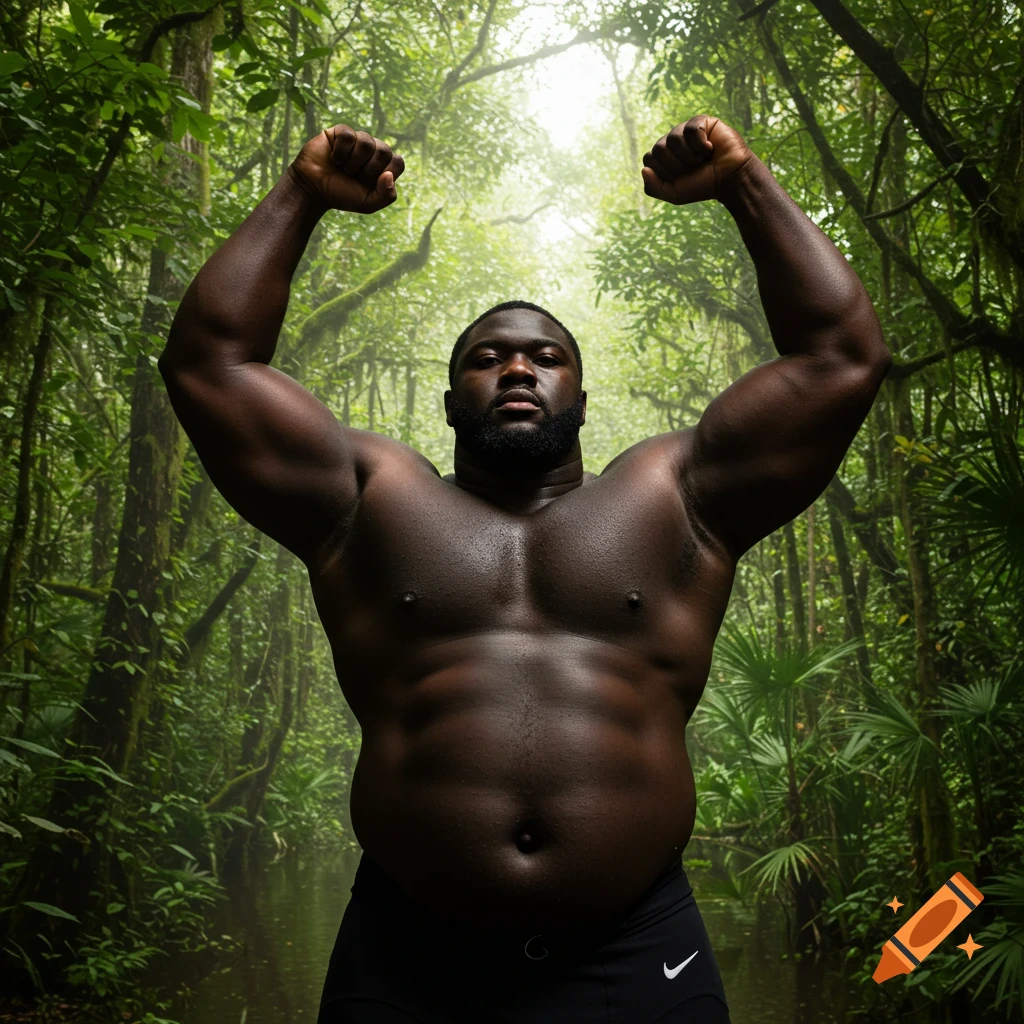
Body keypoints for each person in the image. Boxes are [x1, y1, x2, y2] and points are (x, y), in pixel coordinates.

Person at [160, 114, 890, 1023]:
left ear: (580, 398)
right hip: (408, 953)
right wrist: (301, 193)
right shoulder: (367, 499)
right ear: (450, 396)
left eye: (546, 358)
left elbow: (843, 358)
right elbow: (207, 366)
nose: (516, 368)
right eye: (486, 358)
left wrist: (743, 180)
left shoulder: (676, 497)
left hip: (635, 951)